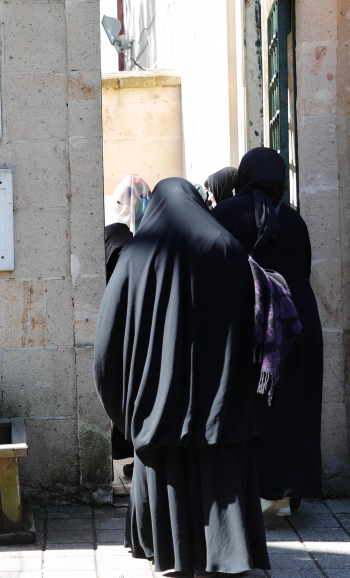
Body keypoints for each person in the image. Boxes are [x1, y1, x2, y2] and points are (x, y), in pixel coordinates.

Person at [94, 178, 271, 576]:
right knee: (218, 454)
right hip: (221, 408)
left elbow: (108, 342)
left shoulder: (138, 255)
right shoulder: (226, 248)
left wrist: (128, 412)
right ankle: (229, 551)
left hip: (159, 406)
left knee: (168, 453)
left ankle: (171, 550)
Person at [212, 147, 325, 516]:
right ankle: (290, 491)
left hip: (249, 325)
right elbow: (303, 270)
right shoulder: (294, 221)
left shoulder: (225, 214)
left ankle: (251, 491)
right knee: (294, 406)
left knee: (251, 404)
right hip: (297, 324)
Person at [103, 175, 151, 472]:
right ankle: (137, 455)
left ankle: (124, 451)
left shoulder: (106, 233)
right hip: (134, 326)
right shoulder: (139, 240)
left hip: (110, 323)